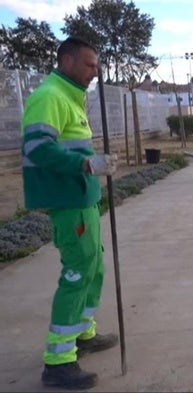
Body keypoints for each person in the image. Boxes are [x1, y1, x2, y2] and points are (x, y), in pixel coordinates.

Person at [20, 36, 119, 390]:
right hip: (68, 202)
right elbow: (37, 148)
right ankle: (58, 361)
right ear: (67, 62)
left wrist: (92, 167)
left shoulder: (69, 98)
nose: (96, 71)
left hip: (82, 200)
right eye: (89, 64)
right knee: (78, 271)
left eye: (97, 65)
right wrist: (87, 164)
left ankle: (82, 334)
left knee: (94, 268)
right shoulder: (50, 97)